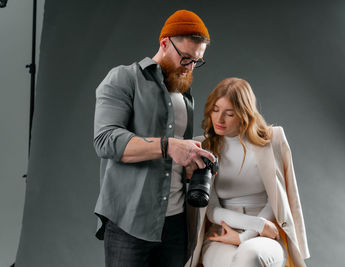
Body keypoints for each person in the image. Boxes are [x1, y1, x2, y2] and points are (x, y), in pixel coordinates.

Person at [93, 10, 215, 267]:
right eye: (186, 58)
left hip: (176, 223)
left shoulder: (185, 94)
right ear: (164, 43)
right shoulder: (123, 79)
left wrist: (191, 161)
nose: (191, 67)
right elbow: (105, 139)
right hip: (130, 223)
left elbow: (177, 157)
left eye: (197, 61)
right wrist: (168, 146)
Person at [186, 78, 310, 267]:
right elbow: (211, 210)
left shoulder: (272, 140)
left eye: (229, 113)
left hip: (266, 236)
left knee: (249, 257)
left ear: (245, 114)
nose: (219, 119)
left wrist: (246, 236)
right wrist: (257, 225)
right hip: (221, 233)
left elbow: (277, 199)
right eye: (215, 110)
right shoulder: (203, 147)